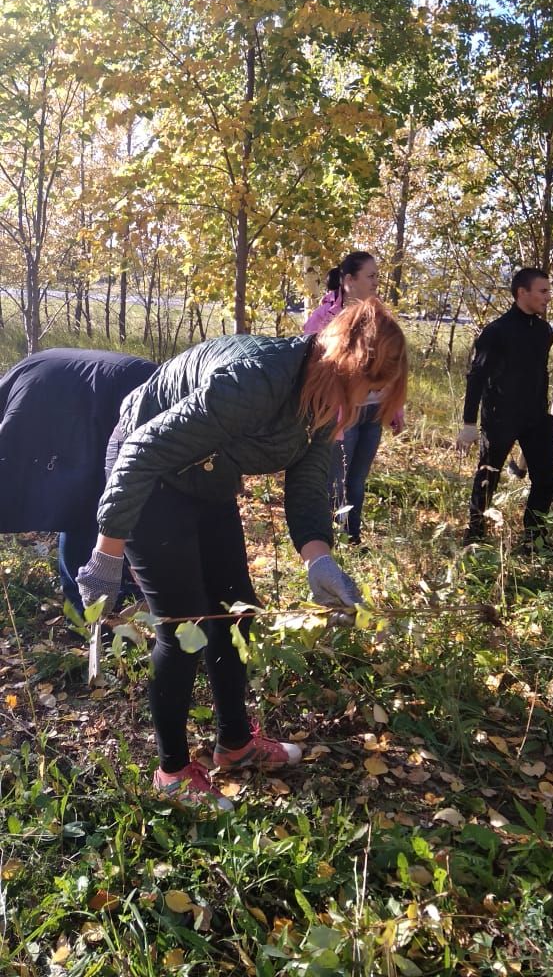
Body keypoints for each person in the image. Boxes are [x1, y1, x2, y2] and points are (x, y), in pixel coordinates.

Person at [76, 298, 408, 810]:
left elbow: (307, 489)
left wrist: (318, 561)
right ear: (344, 365)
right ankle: (171, 774)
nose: (367, 404)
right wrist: (106, 554)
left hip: (206, 476)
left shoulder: (324, 402)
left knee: (237, 612)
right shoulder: (256, 380)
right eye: (368, 390)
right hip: (148, 477)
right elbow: (143, 450)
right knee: (183, 627)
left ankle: (235, 744)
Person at [0, 348, 156, 614]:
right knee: (82, 497)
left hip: (90, 391)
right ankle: (84, 607)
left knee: (97, 493)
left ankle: (112, 591)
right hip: (57, 392)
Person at [304, 251, 404, 544]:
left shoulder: (381, 316)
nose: (376, 282)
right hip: (341, 414)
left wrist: (394, 409)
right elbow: (311, 363)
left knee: (357, 482)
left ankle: (352, 539)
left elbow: (392, 365)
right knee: (336, 482)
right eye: (370, 276)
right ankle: (330, 540)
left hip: (373, 412)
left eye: (377, 276)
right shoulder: (325, 317)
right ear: (349, 280)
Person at [456, 268, 553, 548]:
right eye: (542, 291)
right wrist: (468, 425)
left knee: (547, 481)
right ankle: (475, 536)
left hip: (535, 418)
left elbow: (539, 374)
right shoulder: (497, 332)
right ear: (521, 293)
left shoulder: (543, 331)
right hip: (500, 417)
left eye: (548, 291)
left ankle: (534, 539)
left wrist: (542, 416)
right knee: (488, 475)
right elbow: (476, 377)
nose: (548, 297)